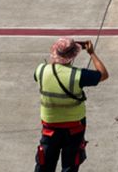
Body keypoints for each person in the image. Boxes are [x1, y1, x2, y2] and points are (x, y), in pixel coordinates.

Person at [33, 36, 107, 172]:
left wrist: (55, 60)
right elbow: (103, 74)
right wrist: (91, 53)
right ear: (73, 56)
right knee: (70, 165)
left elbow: (44, 72)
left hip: (50, 127)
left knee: (45, 164)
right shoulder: (78, 75)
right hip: (74, 127)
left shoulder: (41, 70)